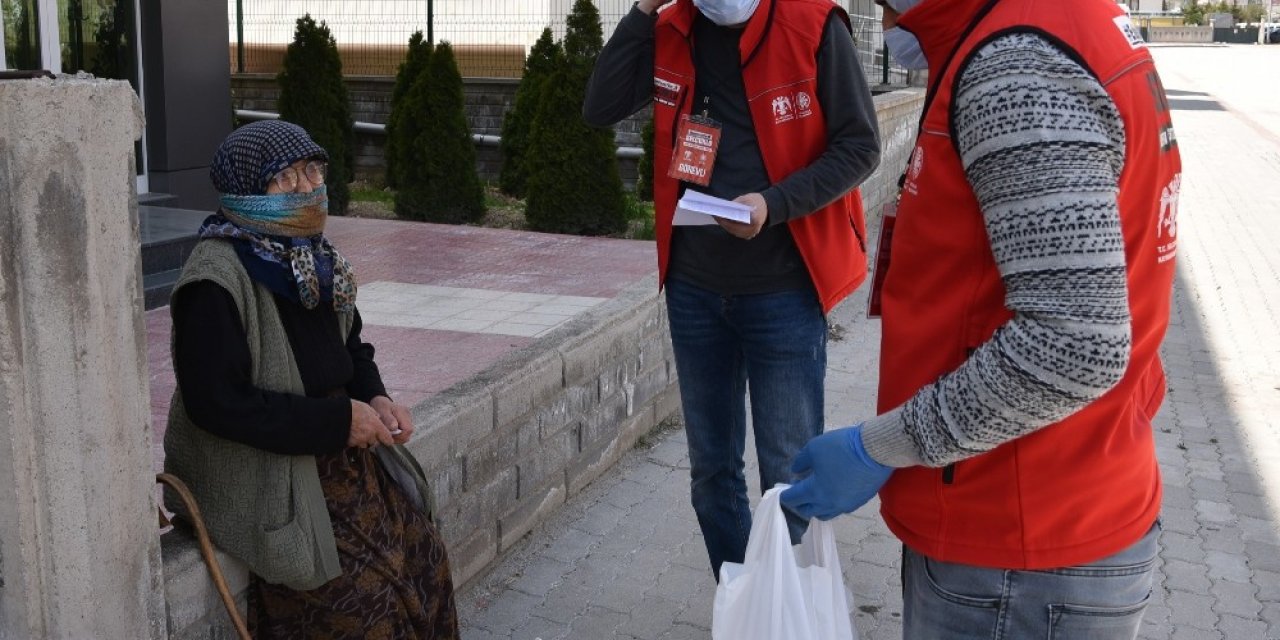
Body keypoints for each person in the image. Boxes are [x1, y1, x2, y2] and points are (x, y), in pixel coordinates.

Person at [781, 0, 1182, 637]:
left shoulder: (1017, 64)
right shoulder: (1056, 25)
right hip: (1047, 507)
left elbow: (1074, 346)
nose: (883, 17)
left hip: (1015, 545)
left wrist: (878, 445)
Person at [584, 0, 881, 580]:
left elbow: (861, 145)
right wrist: (643, 10)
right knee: (711, 475)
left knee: (787, 475)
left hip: (783, 291)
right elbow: (600, 106)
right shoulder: (671, 28)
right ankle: (741, 598)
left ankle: (785, 603)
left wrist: (773, 204)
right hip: (694, 290)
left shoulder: (814, 24)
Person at [162, 120, 460, 639]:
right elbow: (218, 405)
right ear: (247, 189)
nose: (307, 187)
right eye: (286, 177)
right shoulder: (213, 281)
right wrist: (337, 420)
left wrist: (376, 396)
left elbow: (352, 347)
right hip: (271, 465)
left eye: (313, 170)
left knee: (424, 560)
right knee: (365, 608)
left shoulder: (316, 263)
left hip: (339, 453)